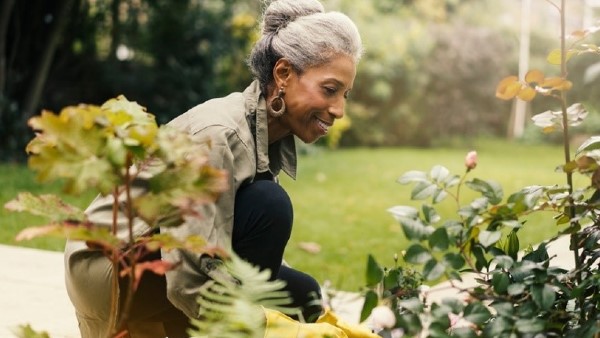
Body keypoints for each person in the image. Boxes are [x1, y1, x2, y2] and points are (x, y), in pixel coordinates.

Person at [64, 0, 363, 336]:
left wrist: (304, 315)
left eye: (345, 95)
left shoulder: (264, 132)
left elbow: (228, 238)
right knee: (269, 206)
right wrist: (263, 326)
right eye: (330, 90)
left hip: (158, 254)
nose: (338, 109)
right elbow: (186, 277)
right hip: (107, 265)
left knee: (303, 293)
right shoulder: (220, 136)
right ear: (283, 74)